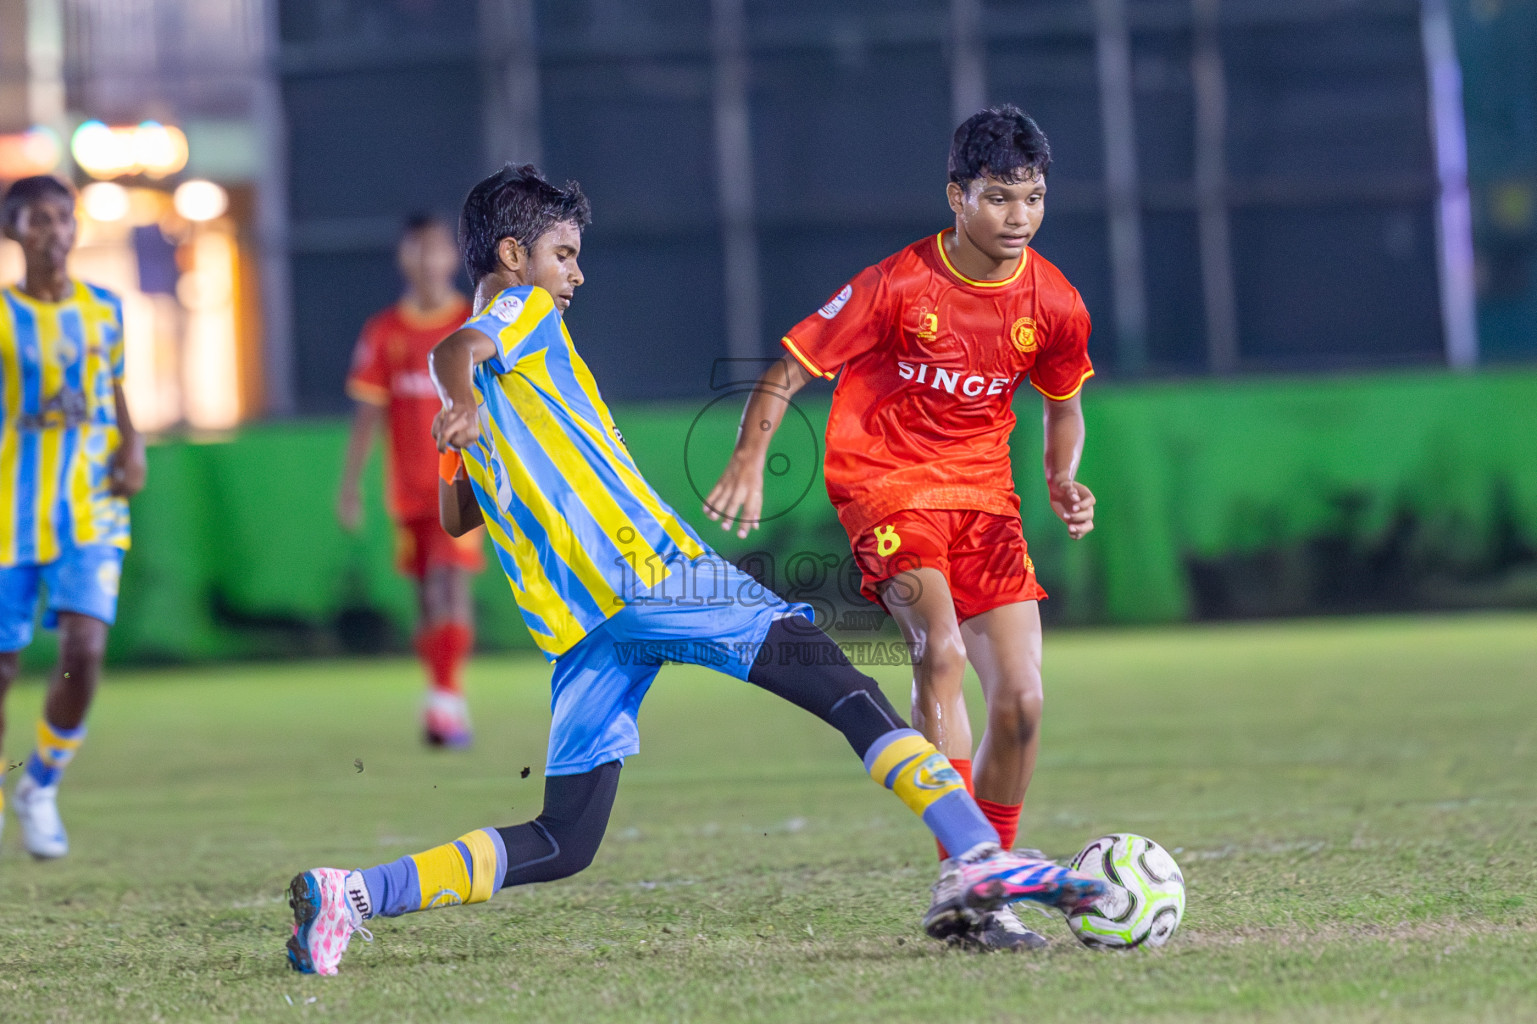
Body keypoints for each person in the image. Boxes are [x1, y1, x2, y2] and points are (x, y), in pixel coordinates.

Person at [283, 164, 1104, 975]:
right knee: (848, 691)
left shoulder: (493, 380)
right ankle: (975, 854)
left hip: (582, 627)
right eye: (563, 253)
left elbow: (462, 510)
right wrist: (459, 399)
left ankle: (351, 894)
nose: (575, 273)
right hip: (648, 575)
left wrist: (464, 432)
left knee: (564, 840)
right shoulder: (517, 313)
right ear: (510, 254)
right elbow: (456, 348)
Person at [705, 106, 1096, 951]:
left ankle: (979, 882)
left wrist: (1062, 478)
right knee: (940, 650)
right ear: (956, 197)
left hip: (985, 502)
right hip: (886, 489)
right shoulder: (895, 286)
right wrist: (746, 456)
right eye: (998, 198)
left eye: (1032, 198)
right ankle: (966, 870)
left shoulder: (1054, 301)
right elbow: (787, 370)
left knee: (1024, 705)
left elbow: (1063, 408)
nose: (1019, 217)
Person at [0, 175, 146, 859]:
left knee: (83, 650)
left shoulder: (105, 310)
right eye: (37, 221)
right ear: (14, 232)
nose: (53, 232)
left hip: (91, 509)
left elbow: (114, 388)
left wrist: (133, 445)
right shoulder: (2, 316)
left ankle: (41, 785)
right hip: (9, 514)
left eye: (62, 218)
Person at [338, 214, 481, 747]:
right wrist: (350, 486)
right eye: (417, 250)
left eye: (437, 249)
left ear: (452, 256)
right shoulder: (385, 332)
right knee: (425, 594)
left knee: (450, 581)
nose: (427, 260)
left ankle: (447, 700)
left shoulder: (472, 323)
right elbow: (367, 415)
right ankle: (443, 695)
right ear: (404, 258)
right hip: (408, 489)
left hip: (462, 484)